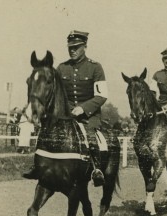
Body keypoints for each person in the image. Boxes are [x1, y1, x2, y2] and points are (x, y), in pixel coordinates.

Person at [23, 30, 108, 186]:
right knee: (46, 130)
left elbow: (101, 96)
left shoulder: (95, 67)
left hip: (88, 116)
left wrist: (82, 108)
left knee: (90, 136)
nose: (72, 50)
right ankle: (37, 165)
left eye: (76, 47)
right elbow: (57, 94)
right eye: (70, 47)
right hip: (66, 114)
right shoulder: (62, 68)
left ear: (85, 46)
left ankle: (96, 169)